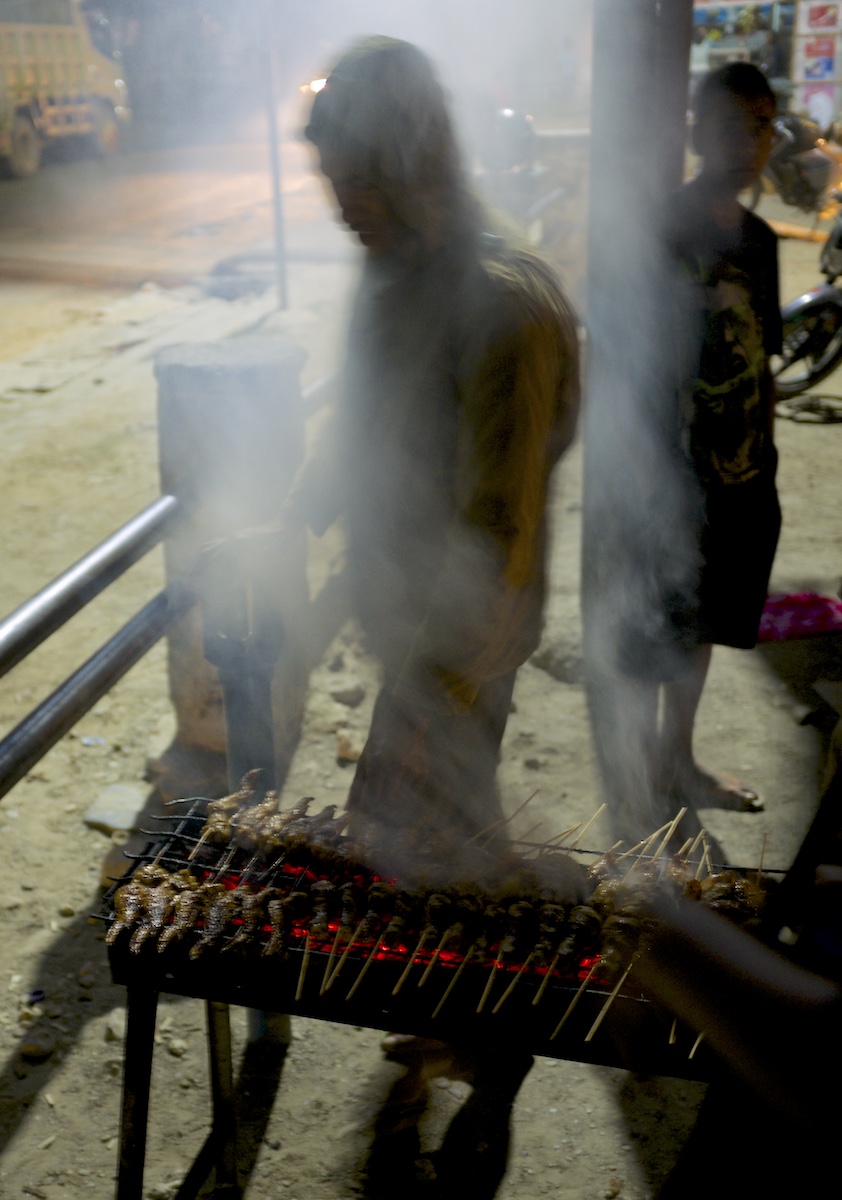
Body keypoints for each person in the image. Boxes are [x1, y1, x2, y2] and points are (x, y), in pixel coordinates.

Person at [276, 35, 579, 1195]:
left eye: (355, 179)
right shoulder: (391, 271)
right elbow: (360, 421)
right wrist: (297, 519)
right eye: (329, 182)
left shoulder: (506, 304)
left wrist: (432, 703)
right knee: (429, 852)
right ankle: (453, 1023)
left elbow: (500, 538)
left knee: (435, 846)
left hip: (464, 642)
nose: (339, 207)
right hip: (403, 621)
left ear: (411, 158)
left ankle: (489, 1051)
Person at [612, 62, 781, 837]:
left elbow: (762, 364)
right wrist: (642, 474)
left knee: (706, 620)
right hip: (665, 476)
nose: (749, 142)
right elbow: (624, 361)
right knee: (657, 627)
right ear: (696, 133)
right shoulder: (658, 231)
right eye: (731, 126)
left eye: (762, 125)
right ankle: (639, 773)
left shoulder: (761, 243)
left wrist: (762, 467)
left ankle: (677, 758)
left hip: (740, 472)